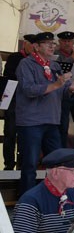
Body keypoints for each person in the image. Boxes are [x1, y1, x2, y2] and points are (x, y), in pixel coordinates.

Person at [16, 32, 74, 194]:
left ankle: (55, 197)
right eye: (47, 43)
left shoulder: (54, 66)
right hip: (31, 122)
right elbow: (29, 90)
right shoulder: (26, 64)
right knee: (30, 163)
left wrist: (72, 88)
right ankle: (27, 202)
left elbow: (63, 92)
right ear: (36, 47)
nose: (52, 46)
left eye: (53, 43)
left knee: (58, 162)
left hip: (52, 121)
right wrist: (56, 85)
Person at [3, 34, 35, 170]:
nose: (34, 49)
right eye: (32, 45)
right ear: (25, 44)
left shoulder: (37, 61)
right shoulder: (15, 57)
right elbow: (8, 75)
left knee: (26, 134)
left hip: (30, 101)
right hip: (14, 98)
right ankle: (9, 164)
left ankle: (22, 164)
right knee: (10, 132)